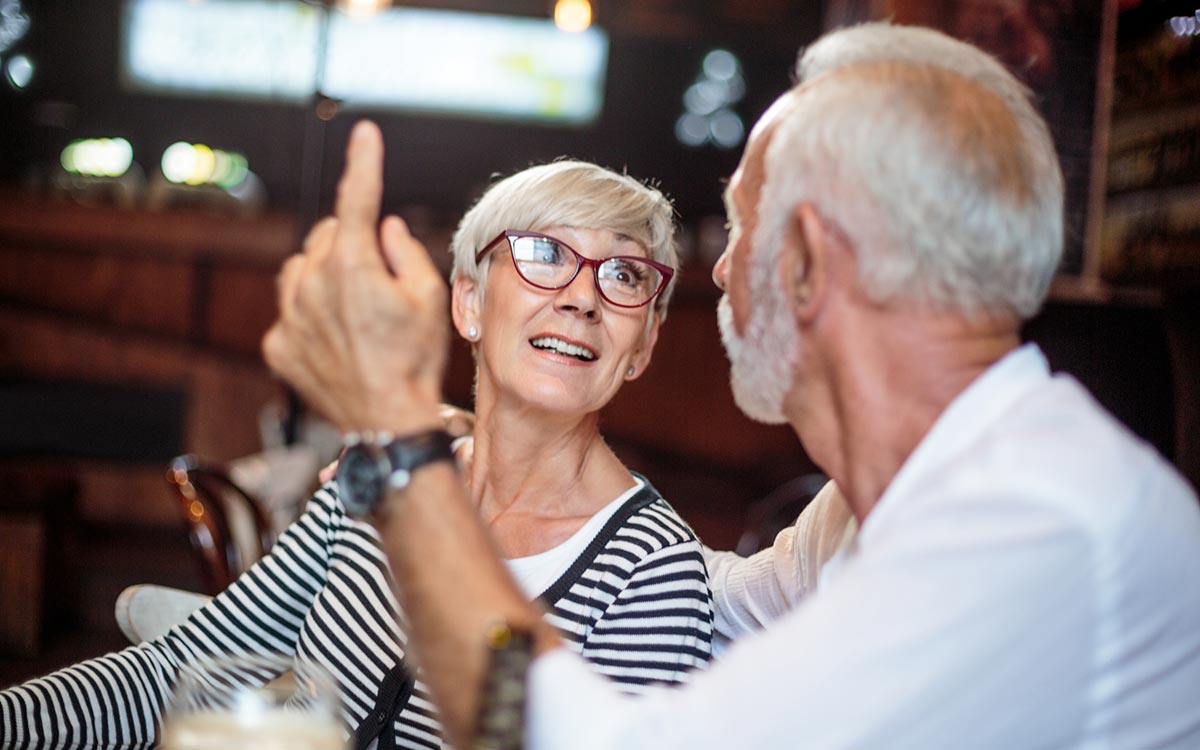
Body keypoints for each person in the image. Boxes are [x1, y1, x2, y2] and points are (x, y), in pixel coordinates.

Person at [261, 20, 1200, 749]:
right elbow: (700, 599)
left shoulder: (1035, 523)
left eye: (740, 227)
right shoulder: (877, 509)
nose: (717, 271)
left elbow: (549, 737)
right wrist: (508, 459)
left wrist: (398, 442)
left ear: (803, 262)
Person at [0, 161, 714, 750]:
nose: (583, 297)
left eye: (624, 275)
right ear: (468, 302)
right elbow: (178, 670)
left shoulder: (651, 572)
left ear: (642, 347)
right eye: (546, 254)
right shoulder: (381, 476)